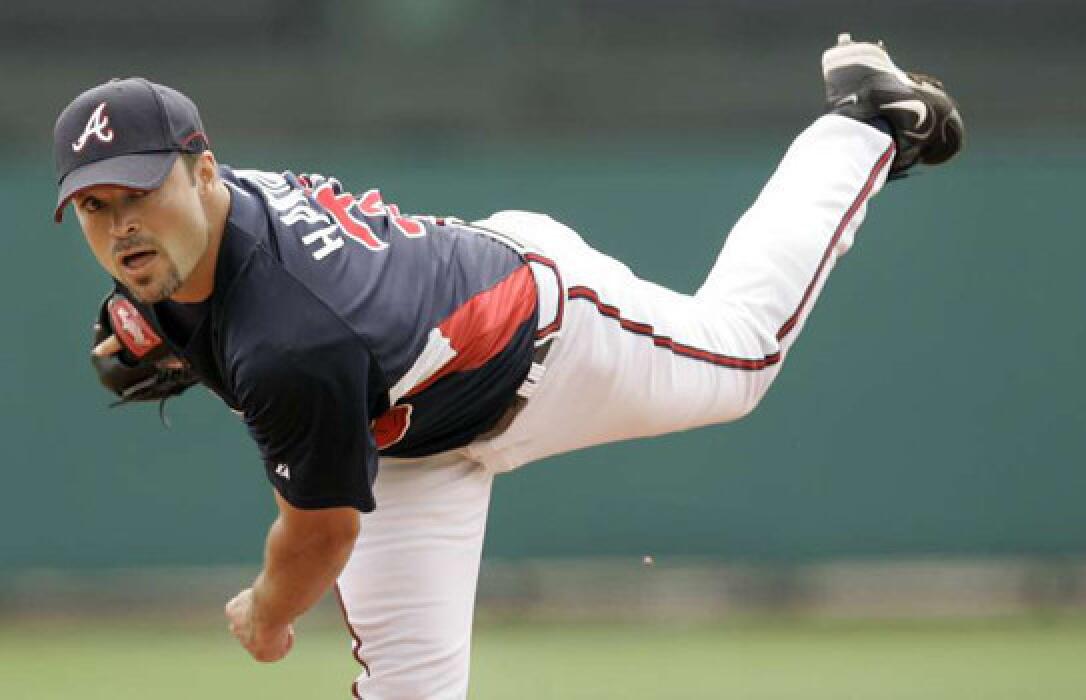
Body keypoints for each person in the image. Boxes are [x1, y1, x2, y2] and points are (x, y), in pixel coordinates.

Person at [53, 33, 962, 699]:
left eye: (141, 190)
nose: (121, 221)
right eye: (94, 205)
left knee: (743, 355)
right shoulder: (190, 238)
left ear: (204, 170)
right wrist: (181, 337)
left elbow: (320, 538)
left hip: (544, 334)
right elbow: (221, 301)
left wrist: (267, 612)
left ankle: (865, 120)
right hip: (408, 430)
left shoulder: (292, 341)